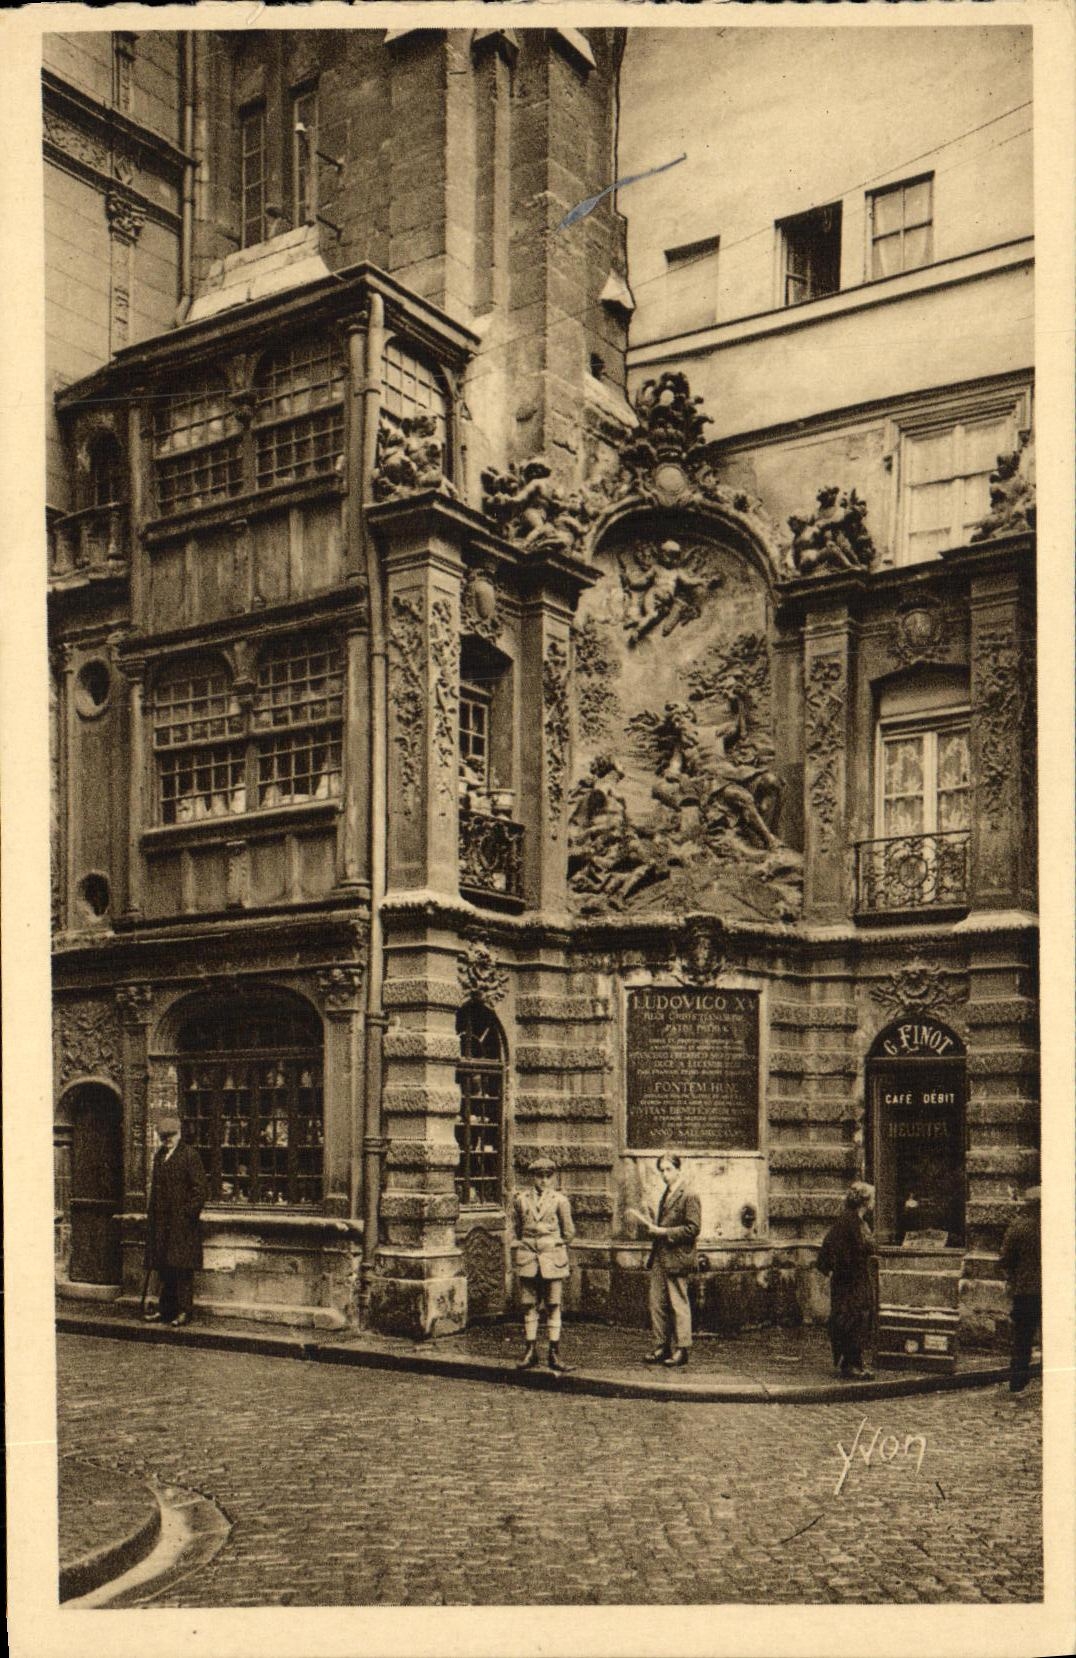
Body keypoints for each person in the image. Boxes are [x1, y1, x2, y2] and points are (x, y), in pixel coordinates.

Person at [634, 1153, 701, 1368]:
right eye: (661, 1170)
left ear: (678, 1169)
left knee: (678, 1304)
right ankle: (662, 1346)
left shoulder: (689, 1194)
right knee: (658, 1303)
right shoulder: (668, 1193)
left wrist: (662, 1231)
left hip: (677, 1258)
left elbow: (693, 1228)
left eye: (668, 1169)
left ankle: (682, 1350)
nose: (664, 1174)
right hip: (661, 1256)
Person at [511, 1154, 576, 1373]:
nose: (544, 1181)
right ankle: (530, 1351)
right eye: (539, 1176)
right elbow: (516, 1228)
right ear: (533, 1178)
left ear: (553, 1178)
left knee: (553, 1305)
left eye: (548, 1177)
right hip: (529, 1258)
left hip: (552, 1260)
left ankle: (554, 1353)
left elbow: (569, 1233)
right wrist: (524, 1243)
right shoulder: (521, 1200)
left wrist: (553, 1242)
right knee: (529, 1305)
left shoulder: (560, 1201)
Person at [143, 1113, 208, 1328]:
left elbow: (200, 1191)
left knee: (182, 1270)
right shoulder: (160, 1156)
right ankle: (165, 1310)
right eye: (163, 1136)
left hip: (182, 1226)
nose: (167, 1140)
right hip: (162, 1225)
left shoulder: (190, 1155)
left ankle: (184, 1312)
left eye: (171, 1135)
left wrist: (187, 1215)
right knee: (165, 1268)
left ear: (179, 1134)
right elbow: (155, 1192)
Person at [815, 1182, 878, 1380]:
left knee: (858, 1319)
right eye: (872, 1198)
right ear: (865, 1201)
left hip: (856, 1280)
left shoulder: (858, 1221)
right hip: (849, 1282)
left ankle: (855, 1363)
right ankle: (850, 1365)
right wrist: (843, 1270)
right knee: (850, 1320)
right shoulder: (848, 1222)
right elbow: (831, 1249)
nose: (874, 1202)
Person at [998, 1185, 1041, 1393]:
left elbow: (1005, 1260)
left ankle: (1017, 1382)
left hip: (1026, 1292)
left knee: (1022, 1338)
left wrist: (1013, 1277)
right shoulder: (1059, 1224)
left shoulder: (1019, 1227)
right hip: (1056, 1292)